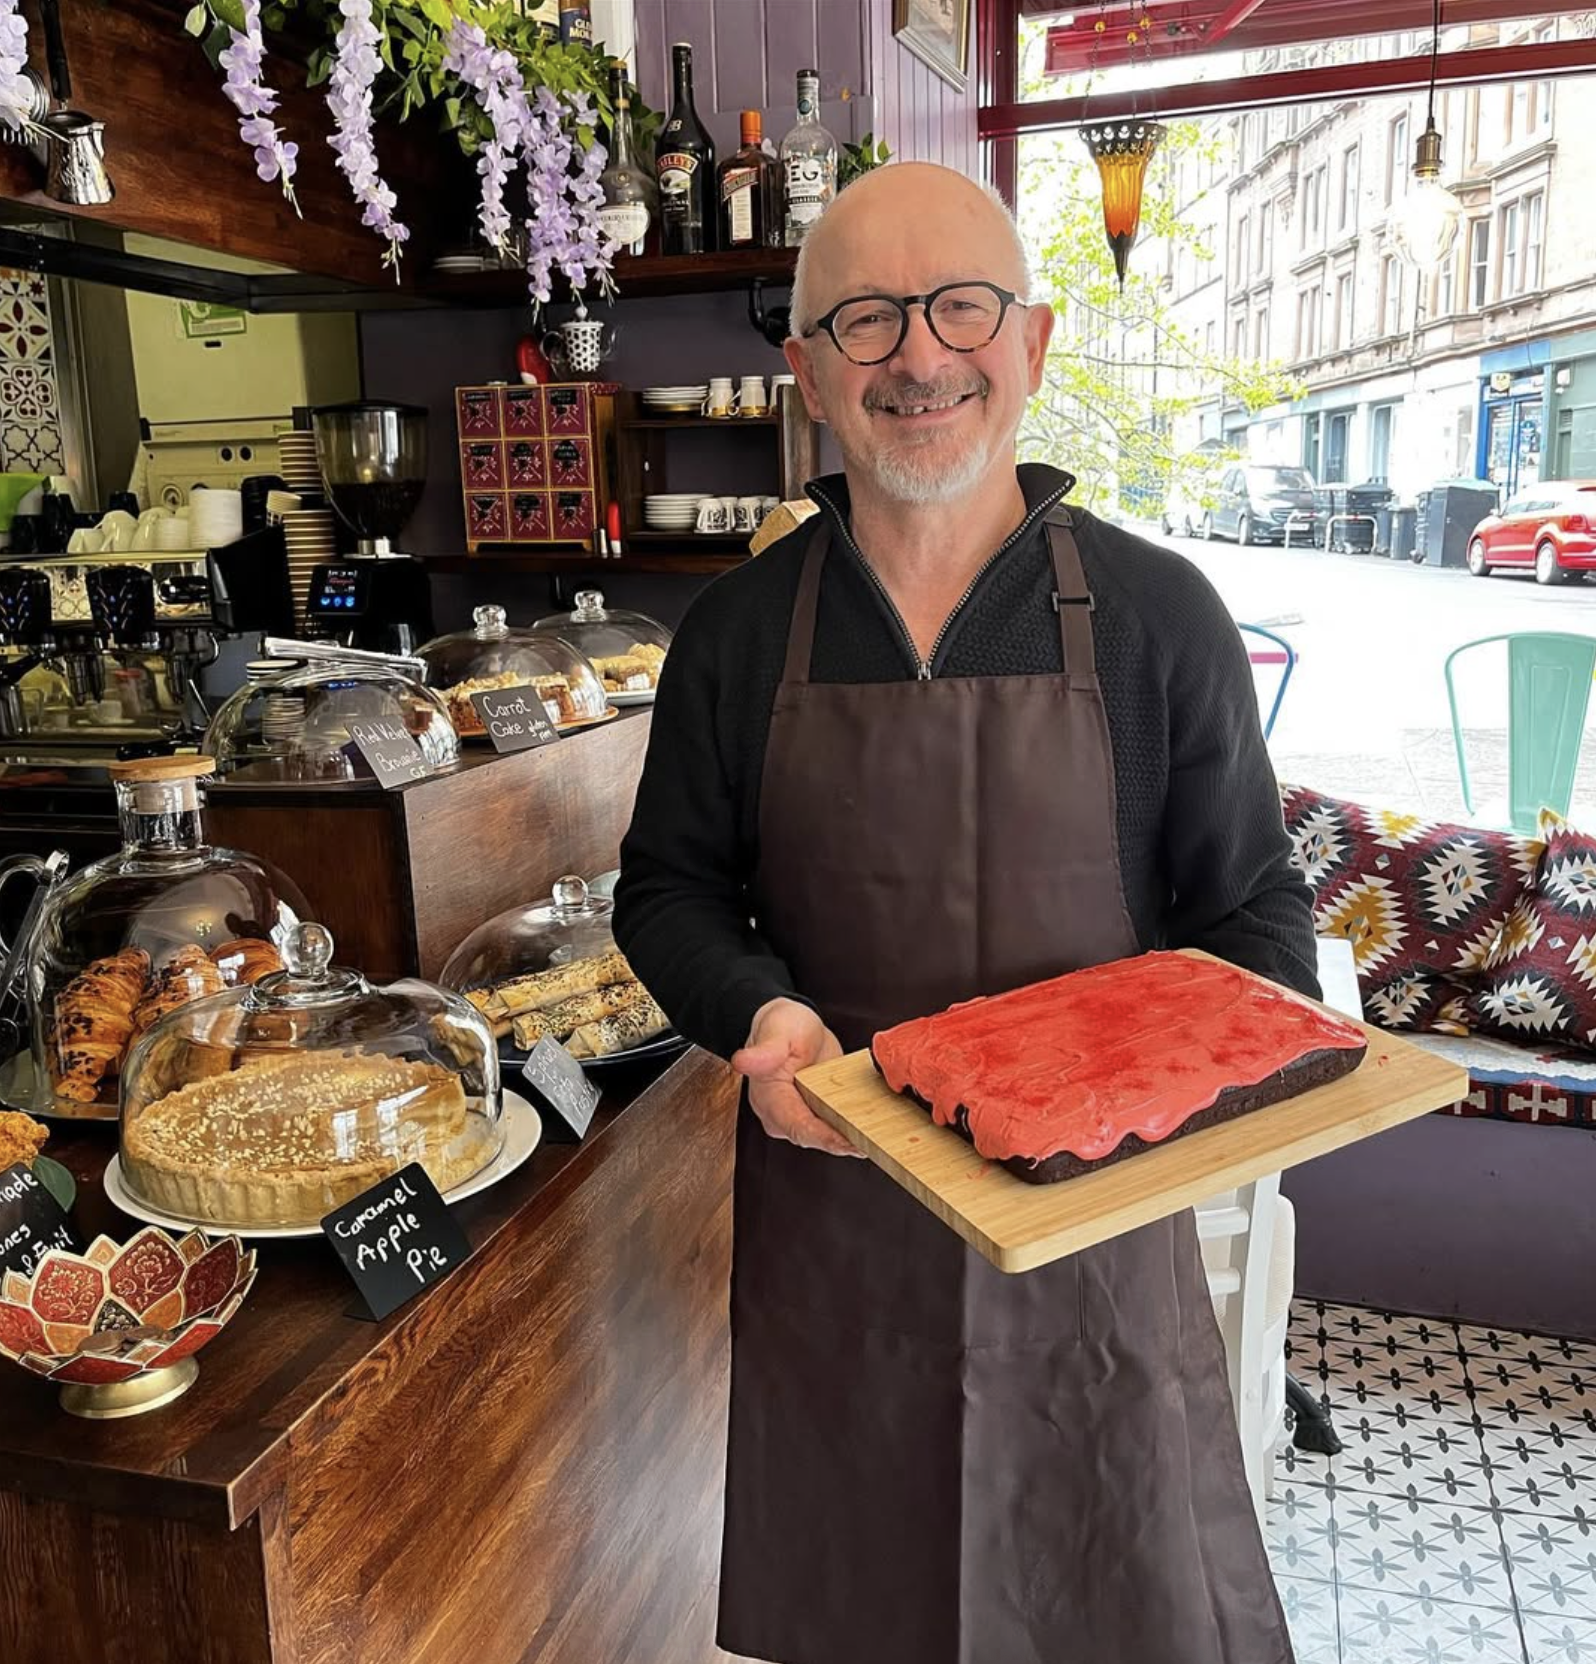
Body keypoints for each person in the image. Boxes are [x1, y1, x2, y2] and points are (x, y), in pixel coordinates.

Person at [614, 161, 1316, 1664]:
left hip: (1094, 1257)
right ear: (806, 371)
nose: (920, 356)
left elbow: (1257, 921)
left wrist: (1138, 1090)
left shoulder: (1157, 618)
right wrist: (757, 1012)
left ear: (1035, 343)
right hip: (836, 1239)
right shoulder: (737, 636)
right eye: (865, 321)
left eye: (961, 310)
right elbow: (664, 892)